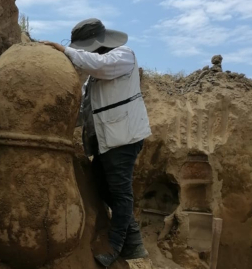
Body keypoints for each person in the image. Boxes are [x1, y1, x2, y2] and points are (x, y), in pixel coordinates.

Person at [43, 18, 151, 267]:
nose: (84, 52)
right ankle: (133, 239)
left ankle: (116, 245)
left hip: (123, 138)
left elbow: (98, 65)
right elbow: (86, 109)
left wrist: (65, 51)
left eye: (84, 47)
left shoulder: (122, 57)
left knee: (120, 192)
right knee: (101, 186)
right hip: (106, 140)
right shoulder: (96, 75)